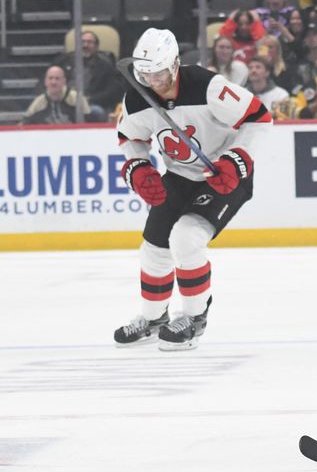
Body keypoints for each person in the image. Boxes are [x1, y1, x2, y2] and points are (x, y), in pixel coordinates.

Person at [114, 28, 272, 351]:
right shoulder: (137, 96)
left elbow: (259, 117)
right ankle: (154, 317)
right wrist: (139, 166)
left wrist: (237, 159)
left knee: (187, 237)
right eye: (145, 74)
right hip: (179, 174)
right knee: (154, 243)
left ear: (173, 65)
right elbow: (130, 137)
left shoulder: (208, 87)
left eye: (158, 73)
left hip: (223, 175)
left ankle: (195, 318)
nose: (152, 82)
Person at [23, 65, 91, 124]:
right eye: (50, 78)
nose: (53, 82)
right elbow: (25, 124)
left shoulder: (77, 98)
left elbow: (88, 122)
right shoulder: (38, 102)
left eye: (57, 78)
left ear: (64, 82)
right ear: (45, 82)